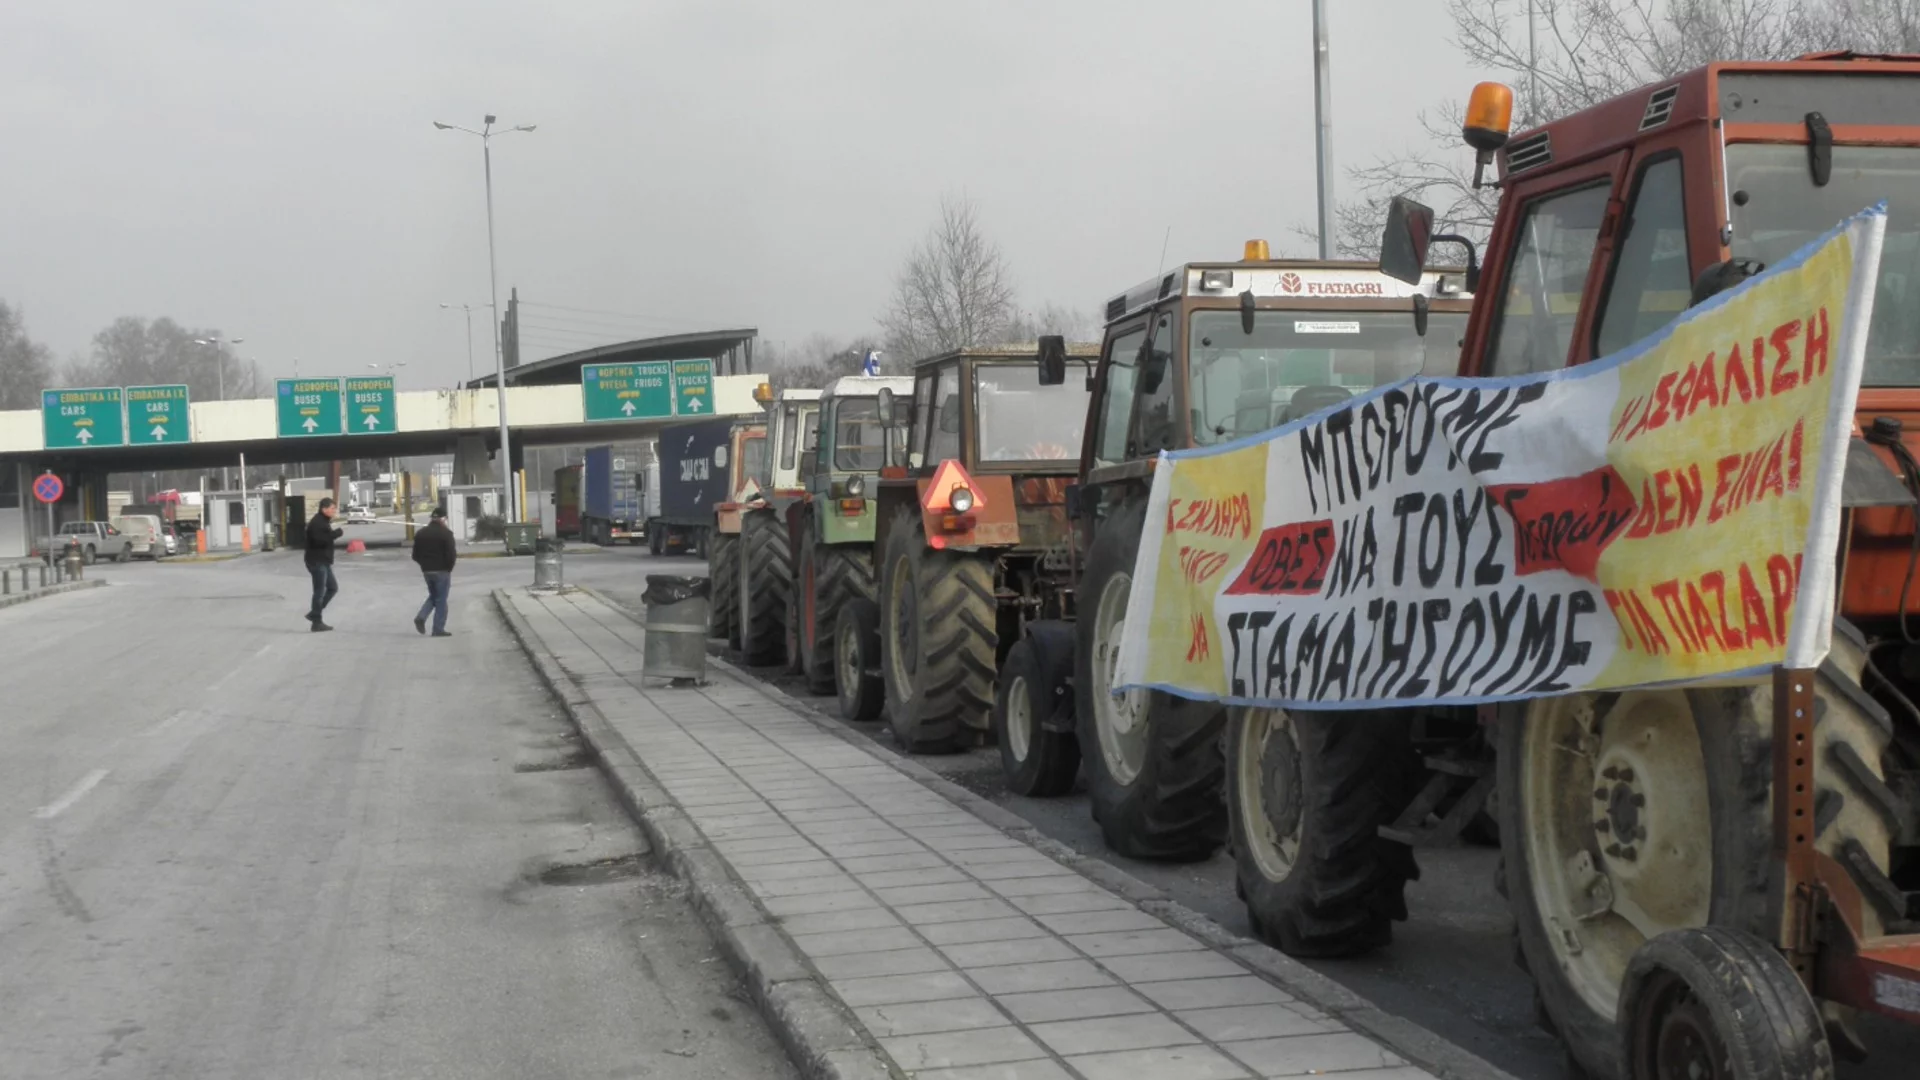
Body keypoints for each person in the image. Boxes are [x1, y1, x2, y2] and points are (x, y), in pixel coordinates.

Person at [411, 507, 458, 637]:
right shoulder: (446, 534)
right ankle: (438, 629)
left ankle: (421, 617)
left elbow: (415, 555)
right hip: (442, 571)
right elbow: (451, 555)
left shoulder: (421, 533)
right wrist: (448, 568)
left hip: (427, 571)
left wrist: (424, 565)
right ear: (443, 519)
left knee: (434, 596)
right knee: (441, 600)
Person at [304, 498, 344, 631]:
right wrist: (335, 534)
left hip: (324, 561)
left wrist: (332, 534)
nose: (334, 511)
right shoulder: (317, 523)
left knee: (332, 588)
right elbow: (319, 541)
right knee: (319, 591)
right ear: (324, 509)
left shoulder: (323, 522)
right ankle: (317, 621)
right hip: (316, 561)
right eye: (332, 508)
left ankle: (315, 613)